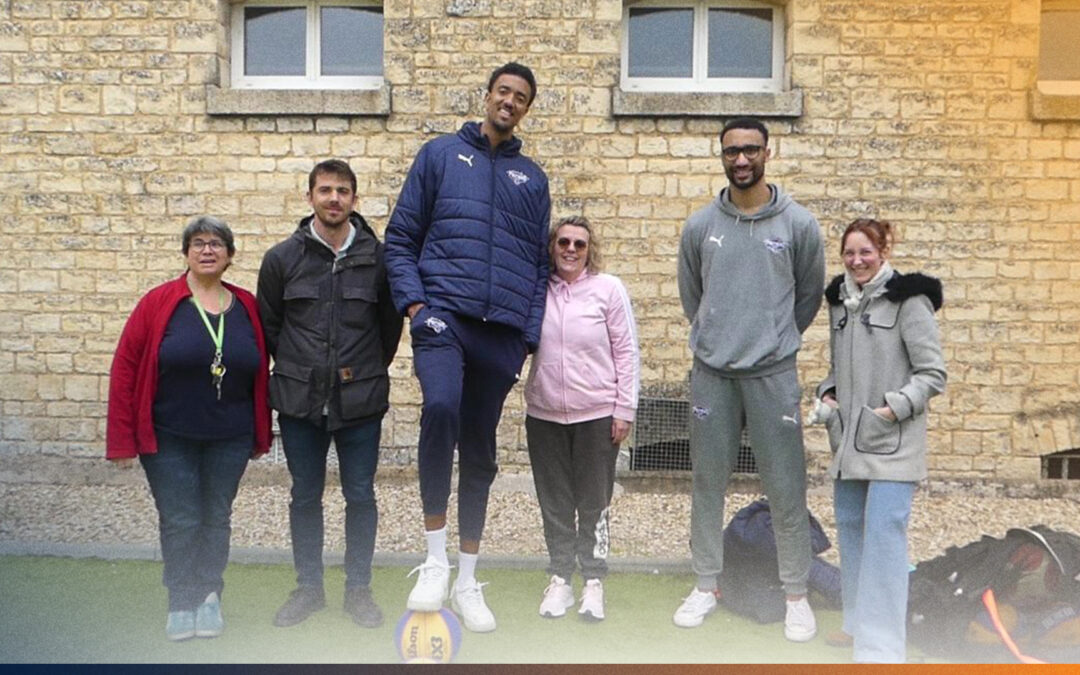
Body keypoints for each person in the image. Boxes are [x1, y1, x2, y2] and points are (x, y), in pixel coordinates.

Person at [384, 62, 551, 633]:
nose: (510, 101)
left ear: (527, 108)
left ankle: (467, 577)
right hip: (443, 322)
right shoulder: (438, 156)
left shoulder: (532, 177)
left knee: (479, 450)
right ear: (486, 97)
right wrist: (416, 308)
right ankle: (433, 560)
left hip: (500, 336)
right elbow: (401, 238)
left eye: (521, 97)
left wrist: (526, 338)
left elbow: (537, 265)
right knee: (440, 408)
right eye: (503, 91)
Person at [675, 116, 825, 641]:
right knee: (706, 484)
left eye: (751, 150)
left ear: (768, 151)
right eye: (732, 151)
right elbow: (694, 298)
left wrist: (771, 338)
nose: (741, 160)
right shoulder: (700, 226)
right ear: (721, 156)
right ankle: (705, 584)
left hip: (773, 373)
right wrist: (719, 337)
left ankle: (796, 594)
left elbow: (807, 298)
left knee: (786, 488)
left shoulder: (798, 225)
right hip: (712, 373)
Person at [106, 216, 272, 641]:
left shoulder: (247, 305)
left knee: (216, 517)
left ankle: (209, 597)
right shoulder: (159, 302)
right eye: (198, 243)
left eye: (217, 243)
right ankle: (181, 600)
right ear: (186, 253)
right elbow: (126, 368)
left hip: (229, 437)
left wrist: (260, 431)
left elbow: (261, 370)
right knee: (181, 518)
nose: (207, 250)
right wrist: (122, 439)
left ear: (230, 256)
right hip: (168, 436)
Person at [257, 159, 402, 629]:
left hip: (360, 399)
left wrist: (357, 373)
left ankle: (358, 589)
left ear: (355, 200)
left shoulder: (379, 260)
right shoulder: (282, 259)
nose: (334, 199)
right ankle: (308, 588)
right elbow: (270, 329)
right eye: (325, 190)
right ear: (310, 198)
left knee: (360, 495)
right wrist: (305, 369)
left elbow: (389, 330)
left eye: (343, 191)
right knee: (305, 496)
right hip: (300, 400)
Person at [814, 218, 946, 662]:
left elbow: (932, 374)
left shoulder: (910, 301)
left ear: (883, 250)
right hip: (850, 443)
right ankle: (855, 625)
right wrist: (828, 393)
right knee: (852, 532)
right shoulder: (839, 302)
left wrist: (893, 408)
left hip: (893, 442)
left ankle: (885, 645)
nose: (857, 261)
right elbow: (841, 368)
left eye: (865, 252)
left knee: (885, 539)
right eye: (849, 254)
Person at [524, 216, 640, 622]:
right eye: (564, 243)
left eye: (580, 244)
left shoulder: (608, 290)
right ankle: (560, 579)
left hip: (597, 415)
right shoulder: (537, 291)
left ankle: (593, 581)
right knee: (554, 502)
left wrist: (624, 408)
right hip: (544, 415)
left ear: (590, 250)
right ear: (552, 247)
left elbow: (627, 352)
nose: (571, 250)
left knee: (594, 502)